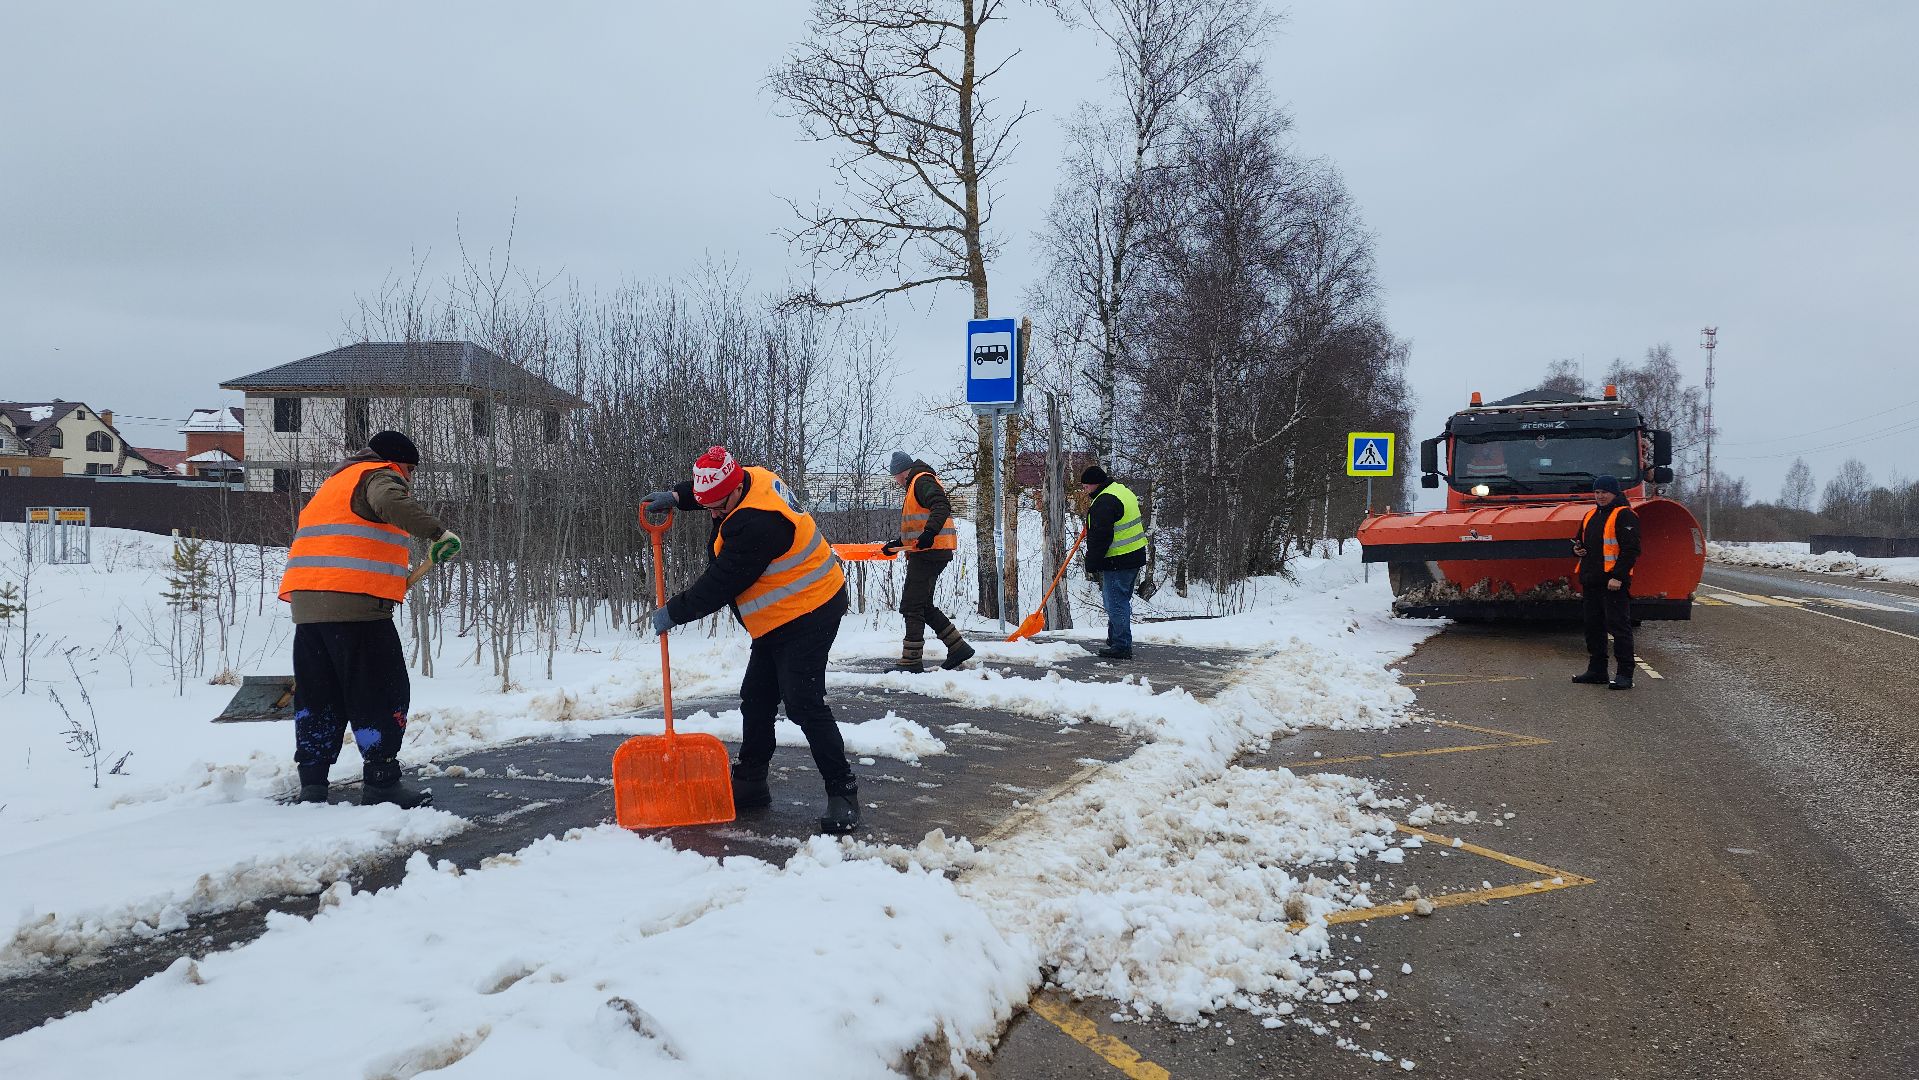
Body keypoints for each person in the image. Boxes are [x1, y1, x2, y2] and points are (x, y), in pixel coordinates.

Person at [643, 446, 861, 833]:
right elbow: (711, 492)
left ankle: (842, 791)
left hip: (811, 608)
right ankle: (751, 782)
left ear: (734, 490)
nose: (712, 514)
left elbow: (720, 584)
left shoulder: (760, 524)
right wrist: (678, 496)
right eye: (706, 505)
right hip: (778, 616)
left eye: (716, 507)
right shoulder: (750, 477)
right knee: (756, 697)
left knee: (803, 701)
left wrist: (674, 612)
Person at [281, 431, 460, 807]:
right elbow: (388, 501)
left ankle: (312, 785)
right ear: (398, 463)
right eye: (410, 470)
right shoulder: (378, 474)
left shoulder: (335, 482)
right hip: (356, 609)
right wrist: (438, 532)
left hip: (308, 607)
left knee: (320, 696)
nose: (409, 479)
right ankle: (382, 783)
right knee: (380, 690)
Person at [880, 450, 974, 673]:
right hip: (929, 550)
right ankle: (958, 647)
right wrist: (897, 544)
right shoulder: (917, 483)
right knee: (923, 604)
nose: (896, 481)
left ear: (901, 473)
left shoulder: (921, 481)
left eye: (895, 477)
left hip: (930, 552)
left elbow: (941, 506)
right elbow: (918, 526)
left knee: (912, 605)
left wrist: (930, 533)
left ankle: (911, 661)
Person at [1571, 475, 1642, 690]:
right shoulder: (1590, 515)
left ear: (1614, 493)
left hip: (1613, 583)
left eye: (1605, 492)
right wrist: (1577, 549)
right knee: (1593, 627)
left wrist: (1618, 577)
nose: (1600, 496)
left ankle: (1625, 674)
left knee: (1619, 628)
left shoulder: (1624, 515)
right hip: (1591, 580)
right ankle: (1597, 671)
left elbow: (1631, 550)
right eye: (1597, 492)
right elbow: (1580, 541)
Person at [1079, 465, 1149, 660]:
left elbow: (1101, 537)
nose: (1085, 491)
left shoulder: (1104, 502)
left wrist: (1091, 563)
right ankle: (1115, 638)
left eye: (1086, 486)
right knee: (1120, 599)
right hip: (1134, 555)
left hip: (1118, 559)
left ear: (1095, 484)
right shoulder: (1120, 490)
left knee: (1115, 603)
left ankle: (1121, 645)